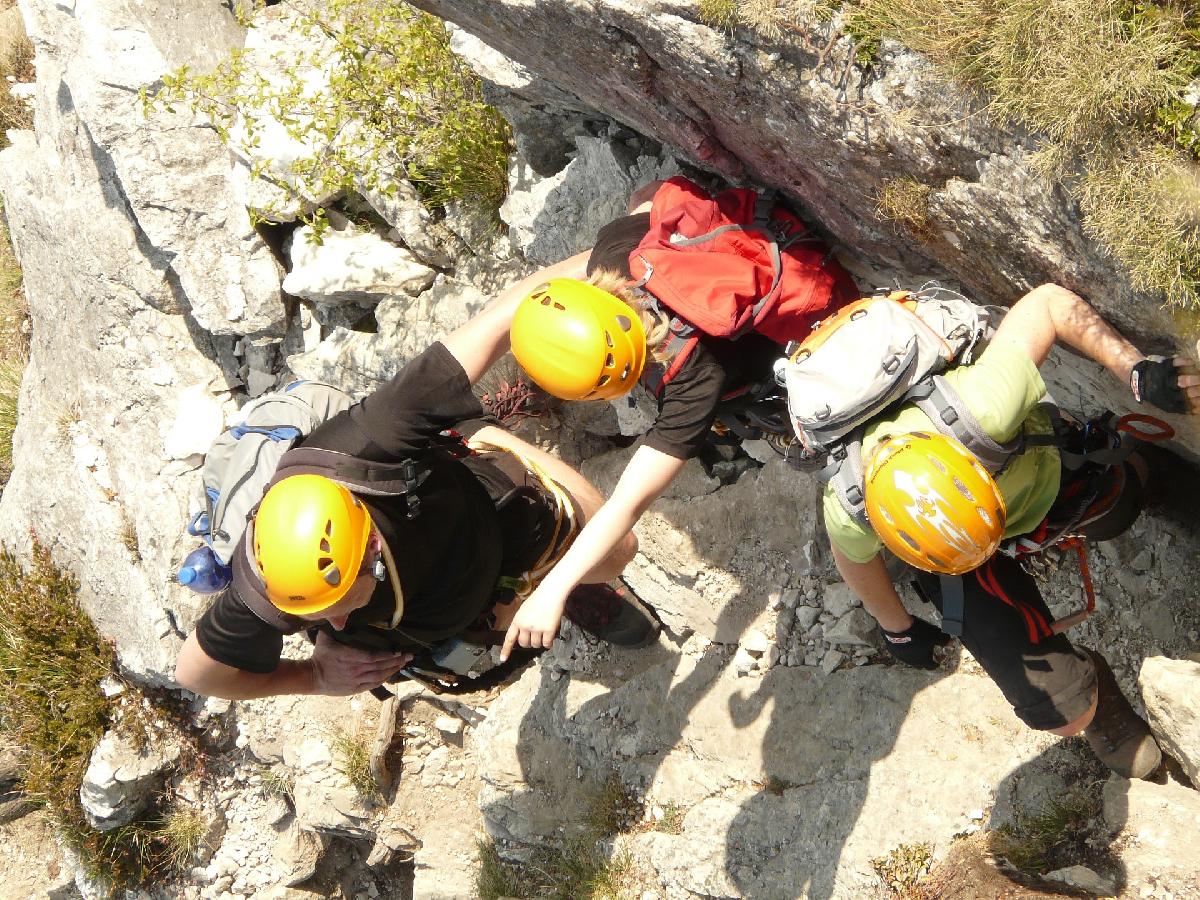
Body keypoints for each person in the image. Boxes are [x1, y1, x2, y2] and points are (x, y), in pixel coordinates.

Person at [174, 261, 654, 701]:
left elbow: (508, 314)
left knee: (617, 551)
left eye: (337, 605)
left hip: (480, 511)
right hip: (438, 610)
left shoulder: (372, 439)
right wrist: (312, 678)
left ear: (371, 547)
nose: (333, 625)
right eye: (317, 616)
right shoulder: (271, 581)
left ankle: (550, 564)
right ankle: (543, 591)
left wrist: (631, 246)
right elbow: (196, 675)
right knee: (494, 617)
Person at [823, 282, 1200, 778]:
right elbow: (852, 557)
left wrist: (1136, 370)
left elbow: (1047, 303)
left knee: (1116, 510)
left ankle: (1147, 479)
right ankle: (1093, 695)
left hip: (1024, 473)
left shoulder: (983, 408)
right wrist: (899, 630)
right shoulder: (853, 505)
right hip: (945, 546)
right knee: (1058, 710)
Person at [493, 177, 858, 661]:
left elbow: (625, 505)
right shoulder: (613, 254)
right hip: (763, 242)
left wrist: (553, 589)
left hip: (808, 347)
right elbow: (648, 196)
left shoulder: (691, 385)